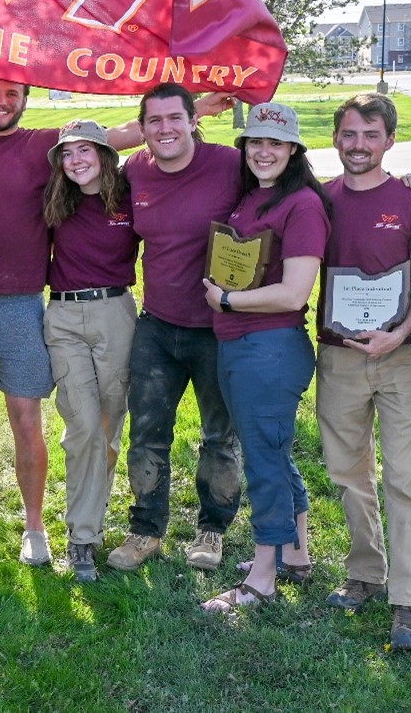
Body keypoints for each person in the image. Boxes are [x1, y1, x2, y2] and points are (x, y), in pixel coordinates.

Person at [0, 76, 139, 567]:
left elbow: (126, 133)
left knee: (26, 418)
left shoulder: (45, 145)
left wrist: (197, 110)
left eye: (12, 94)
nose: (1, 102)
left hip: (22, 305)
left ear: (25, 101)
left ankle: (35, 525)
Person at [314, 92, 411, 650]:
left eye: (370, 135)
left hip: (400, 357)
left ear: (390, 140)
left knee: (406, 477)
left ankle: (409, 603)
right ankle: (365, 571)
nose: (358, 145)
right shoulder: (319, 199)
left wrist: (398, 331)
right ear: (336, 139)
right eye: (349, 134)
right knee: (347, 472)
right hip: (338, 355)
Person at [200, 102, 330, 612]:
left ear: (294, 149)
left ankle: (263, 577)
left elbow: (295, 292)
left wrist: (228, 300)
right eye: (256, 142)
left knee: (263, 463)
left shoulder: (302, 205)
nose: (264, 151)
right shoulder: (251, 198)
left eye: (275, 143)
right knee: (273, 452)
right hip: (240, 347)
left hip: (268, 349)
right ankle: (294, 553)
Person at [112, 83, 244, 573]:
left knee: (218, 436)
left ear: (193, 121)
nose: (165, 129)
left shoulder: (231, 164)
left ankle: (213, 529)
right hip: (158, 327)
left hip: (219, 326)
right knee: (147, 434)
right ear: (142, 130)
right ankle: (145, 530)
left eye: (174, 118)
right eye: (154, 121)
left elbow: (295, 188)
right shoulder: (135, 172)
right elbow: (86, 149)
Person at [40, 120, 140, 582]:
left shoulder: (129, 196)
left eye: (86, 151)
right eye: (67, 153)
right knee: (81, 424)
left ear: (105, 154)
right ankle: (82, 537)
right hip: (64, 318)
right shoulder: (54, 199)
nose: (76, 160)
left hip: (115, 313)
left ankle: (94, 504)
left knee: (108, 422)